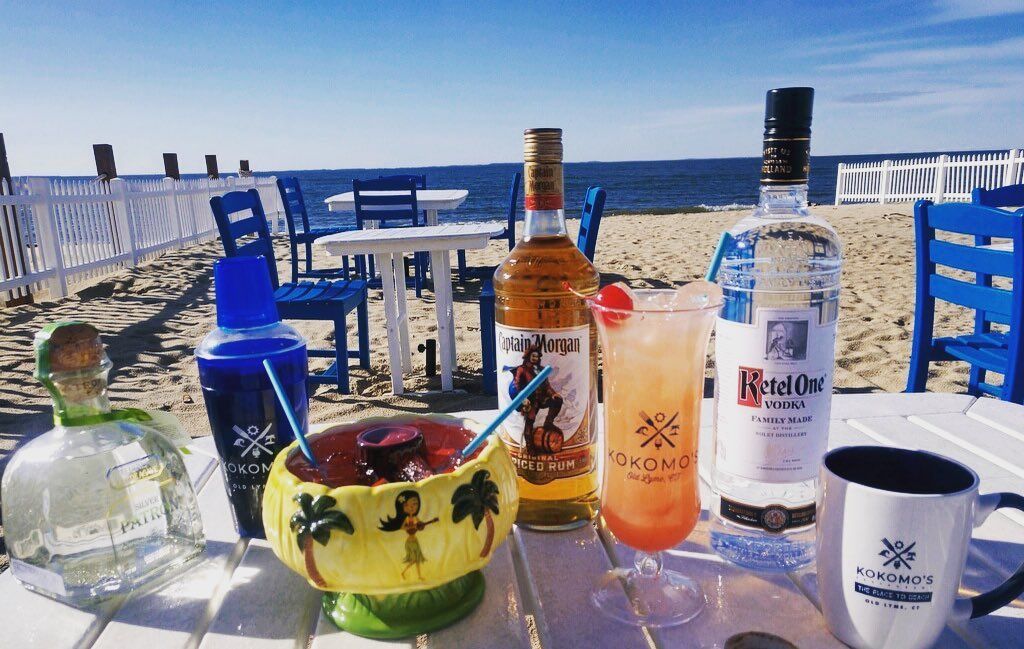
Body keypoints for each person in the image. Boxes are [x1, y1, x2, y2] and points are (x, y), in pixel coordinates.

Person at [511, 344, 563, 454]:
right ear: (528, 356)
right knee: (530, 421)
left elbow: (547, 386)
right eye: (533, 356)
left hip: (541, 398)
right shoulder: (522, 369)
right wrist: (523, 399)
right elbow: (517, 386)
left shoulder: (542, 370)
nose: (535, 358)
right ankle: (530, 446)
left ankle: (549, 422)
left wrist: (553, 394)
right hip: (530, 401)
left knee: (557, 400)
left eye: (537, 356)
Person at [379, 490, 438, 579]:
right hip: (410, 541)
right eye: (409, 505)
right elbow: (402, 528)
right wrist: (411, 527)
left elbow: (420, 525)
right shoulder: (407, 519)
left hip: (415, 540)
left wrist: (421, 525)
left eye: (415, 504)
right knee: (414, 560)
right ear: (404, 507)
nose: (412, 507)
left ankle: (419, 576)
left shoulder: (415, 517)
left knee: (417, 560)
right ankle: (403, 572)